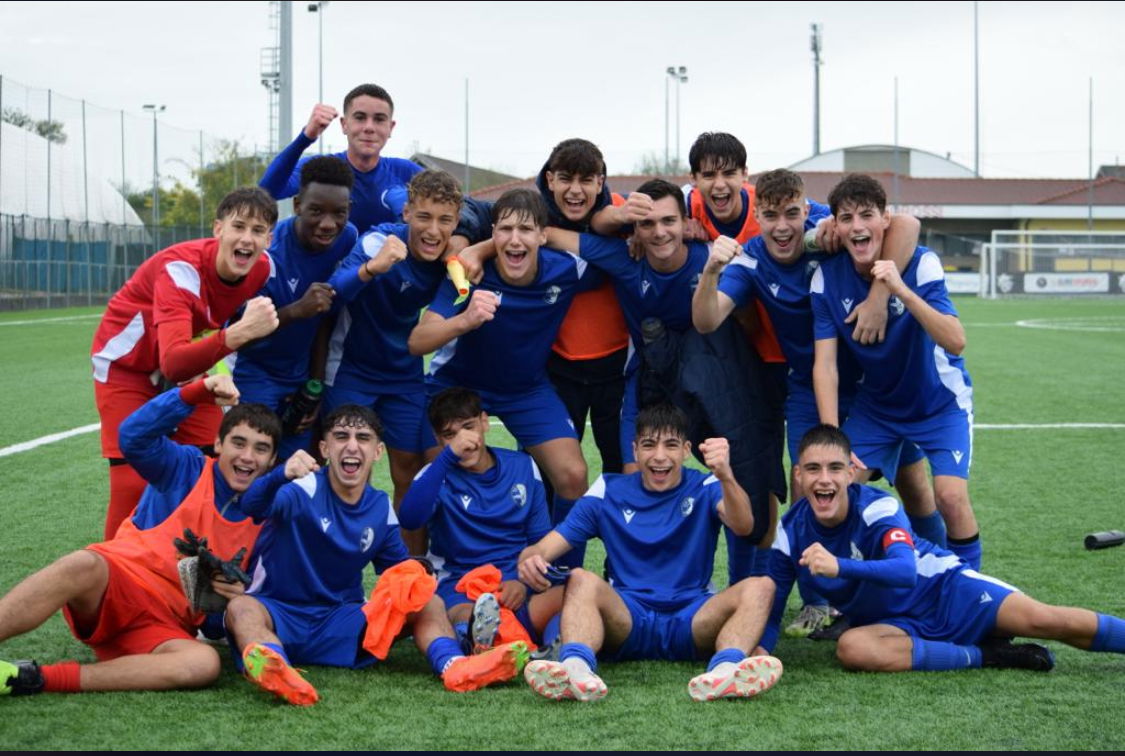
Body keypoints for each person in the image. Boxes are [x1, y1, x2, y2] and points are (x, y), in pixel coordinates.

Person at [691, 168, 939, 638]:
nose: (782, 226)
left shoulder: (824, 229)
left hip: (873, 382)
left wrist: (878, 294)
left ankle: (934, 579)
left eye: (791, 214)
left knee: (915, 483)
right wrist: (709, 270)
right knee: (808, 482)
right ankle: (818, 600)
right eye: (769, 216)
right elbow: (706, 320)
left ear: (807, 211)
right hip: (808, 384)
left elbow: (904, 224)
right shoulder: (752, 259)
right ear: (756, 216)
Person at [543, 179, 777, 584]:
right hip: (650, 380)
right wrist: (480, 247)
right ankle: (628, 579)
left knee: (739, 477)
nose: (659, 232)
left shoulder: (710, 255)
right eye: (648, 224)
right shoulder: (624, 257)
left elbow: (749, 318)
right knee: (639, 474)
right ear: (635, 230)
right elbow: (549, 234)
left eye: (669, 221)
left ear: (687, 222)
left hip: (715, 381)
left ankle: (745, 590)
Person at [223, 404, 529, 706]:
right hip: (280, 614)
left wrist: (421, 580)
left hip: (341, 623)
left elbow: (400, 568)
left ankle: (456, 666)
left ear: (378, 452)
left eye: (363, 438)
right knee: (241, 607)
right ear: (324, 448)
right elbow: (251, 506)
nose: (352, 446)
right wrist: (280, 475)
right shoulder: (302, 490)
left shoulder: (379, 508)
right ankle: (279, 669)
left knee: (425, 599)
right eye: (341, 436)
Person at [0, 375, 286, 696]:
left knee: (203, 663)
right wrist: (194, 393)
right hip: (115, 586)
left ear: (272, 461)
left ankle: (31, 679)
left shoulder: (268, 519)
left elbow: (213, 627)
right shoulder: (186, 467)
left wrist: (228, 599)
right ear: (219, 444)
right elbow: (133, 437)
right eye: (239, 442)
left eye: (261, 449)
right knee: (82, 563)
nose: (248, 456)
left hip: (161, 628)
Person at [761, 424, 1125, 673]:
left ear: (850, 472)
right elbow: (772, 610)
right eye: (813, 469)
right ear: (798, 475)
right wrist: (759, 653)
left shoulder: (876, 507)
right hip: (896, 624)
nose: (824, 479)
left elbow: (904, 572)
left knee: (1046, 621)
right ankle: (988, 656)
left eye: (834, 468)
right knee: (853, 650)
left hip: (947, 591)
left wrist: (839, 566)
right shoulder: (789, 533)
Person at [517, 403, 781, 702]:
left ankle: (724, 672)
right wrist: (531, 560)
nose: (659, 456)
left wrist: (726, 475)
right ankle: (575, 671)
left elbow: (745, 525)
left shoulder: (705, 484)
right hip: (628, 617)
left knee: (762, 586)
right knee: (580, 579)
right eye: (648, 445)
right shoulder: (609, 490)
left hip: (691, 617)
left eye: (670, 445)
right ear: (635, 450)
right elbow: (543, 548)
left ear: (685, 449)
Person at [408, 188, 593, 568]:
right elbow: (418, 341)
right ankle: (423, 577)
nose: (515, 239)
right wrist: (466, 319)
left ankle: (560, 577)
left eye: (526, 229)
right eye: (505, 229)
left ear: (543, 235)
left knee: (573, 475)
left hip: (525, 389)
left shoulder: (567, 268)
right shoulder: (469, 273)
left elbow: (617, 255)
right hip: (458, 388)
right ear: (493, 235)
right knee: (434, 476)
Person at [811, 174, 981, 570]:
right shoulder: (826, 278)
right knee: (835, 485)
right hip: (879, 408)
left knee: (950, 498)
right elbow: (826, 364)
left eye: (867, 215)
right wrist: (831, 437)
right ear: (835, 226)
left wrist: (898, 289)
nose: (857, 227)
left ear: (885, 219)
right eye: (847, 218)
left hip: (938, 404)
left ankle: (969, 594)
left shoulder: (921, 263)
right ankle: (844, 590)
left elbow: (956, 340)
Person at [91, 187, 280, 538]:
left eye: (257, 231)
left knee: (211, 467)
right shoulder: (180, 270)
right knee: (132, 479)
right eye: (238, 226)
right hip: (126, 365)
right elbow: (175, 363)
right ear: (218, 228)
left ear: (269, 239)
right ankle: (109, 579)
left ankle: (190, 567)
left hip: (186, 357)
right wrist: (237, 335)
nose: (247, 239)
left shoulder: (262, 270)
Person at [451, 138, 633, 481]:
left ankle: (618, 534)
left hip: (617, 369)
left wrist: (554, 234)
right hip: (556, 368)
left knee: (622, 469)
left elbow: (647, 239)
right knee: (545, 474)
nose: (575, 190)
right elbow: (473, 209)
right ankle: (542, 535)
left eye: (586, 180)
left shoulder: (619, 214)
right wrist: (470, 246)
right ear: (550, 179)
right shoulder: (529, 212)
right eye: (566, 178)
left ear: (601, 182)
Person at [322, 170, 466, 535]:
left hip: (404, 374)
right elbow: (333, 291)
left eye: (444, 220)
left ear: (456, 223)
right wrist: (372, 269)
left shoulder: (450, 262)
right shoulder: (378, 242)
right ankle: (341, 561)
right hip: (352, 369)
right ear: (406, 214)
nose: (433, 230)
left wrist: (470, 249)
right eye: (424, 217)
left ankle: (410, 568)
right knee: (347, 465)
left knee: (409, 469)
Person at [398, 387, 563, 648]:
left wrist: (521, 582)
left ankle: (554, 651)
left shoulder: (522, 466)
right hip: (460, 586)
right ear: (438, 439)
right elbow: (409, 518)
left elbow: (539, 539)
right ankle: (477, 639)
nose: (464, 442)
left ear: (485, 422)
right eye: (450, 435)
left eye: (468, 427)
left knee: (573, 593)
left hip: (514, 584)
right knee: (464, 614)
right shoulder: (434, 476)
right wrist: (448, 457)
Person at [231, 156, 358, 459]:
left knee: (296, 469)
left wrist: (314, 386)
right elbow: (237, 336)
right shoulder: (267, 253)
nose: (328, 224)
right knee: (250, 461)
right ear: (298, 204)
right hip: (255, 371)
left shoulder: (347, 238)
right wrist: (295, 311)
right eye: (316, 211)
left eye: (338, 213)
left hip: (300, 374)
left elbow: (325, 320)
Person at [259, 83, 421, 234]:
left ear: (390, 127)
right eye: (360, 117)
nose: (369, 127)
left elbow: (445, 210)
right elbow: (267, 191)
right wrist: (305, 137)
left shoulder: (407, 173)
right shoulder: (322, 169)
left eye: (379, 119)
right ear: (344, 124)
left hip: (388, 263)